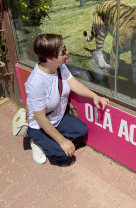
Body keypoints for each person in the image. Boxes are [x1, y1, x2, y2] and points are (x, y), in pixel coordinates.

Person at [25, 33, 109, 165]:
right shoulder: (36, 83)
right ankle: (37, 142)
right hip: (40, 126)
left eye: (65, 48)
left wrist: (95, 96)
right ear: (50, 58)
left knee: (82, 131)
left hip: (57, 119)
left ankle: (52, 141)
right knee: (64, 156)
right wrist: (63, 141)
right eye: (63, 51)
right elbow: (41, 118)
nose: (67, 52)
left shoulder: (59, 66)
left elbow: (73, 83)